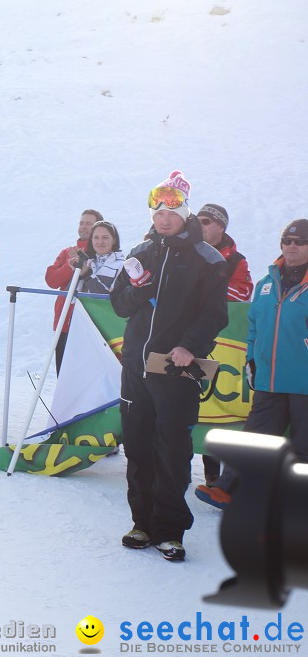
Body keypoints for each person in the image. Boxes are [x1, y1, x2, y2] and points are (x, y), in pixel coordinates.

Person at [110, 171, 229, 562]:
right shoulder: (141, 252)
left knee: (173, 452)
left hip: (175, 370)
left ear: (186, 211)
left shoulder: (207, 259)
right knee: (139, 449)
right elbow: (120, 305)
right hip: (136, 370)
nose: (164, 217)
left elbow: (214, 316)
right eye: (158, 209)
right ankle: (141, 523)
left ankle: (170, 530)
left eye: (172, 210)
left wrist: (188, 346)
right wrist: (135, 290)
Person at [195, 218, 308, 510]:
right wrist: (251, 358)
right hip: (270, 378)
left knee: (303, 446)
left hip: (304, 381)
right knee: (256, 438)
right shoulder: (267, 282)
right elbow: (254, 324)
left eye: (300, 241)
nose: (292, 246)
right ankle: (228, 490)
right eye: (287, 241)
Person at [195, 202, 254, 485]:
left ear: (221, 226)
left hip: (222, 342)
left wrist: (205, 288)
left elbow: (243, 296)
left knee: (213, 405)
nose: (200, 224)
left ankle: (212, 474)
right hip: (185, 338)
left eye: (206, 221)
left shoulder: (236, 260)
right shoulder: (187, 250)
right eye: (197, 219)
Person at [45, 209, 103, 372]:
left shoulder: (103, 253)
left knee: (85, 374)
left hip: (89, 324)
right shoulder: (67, 252)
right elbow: (51, 280)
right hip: (63, 322)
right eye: (81, 223)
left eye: (89, 224)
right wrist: (70, 266)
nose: (84, 227)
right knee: (63, 371)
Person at [78, 220, 124, 295]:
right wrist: (76, 271)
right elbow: (71, 298)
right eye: (96, 237)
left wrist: (87, 275)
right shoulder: (87, 263)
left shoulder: (122, 266)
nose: (100, 242)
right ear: (91, 240)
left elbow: (108, 300)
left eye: (105, 237)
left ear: (114, 240)